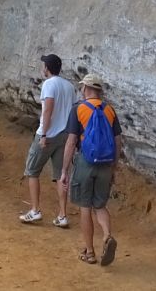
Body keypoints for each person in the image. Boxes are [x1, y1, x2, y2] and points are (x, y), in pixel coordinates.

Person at [59, 73, 122, 266]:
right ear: (100, 91)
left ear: (85, 88)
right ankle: (107, 236)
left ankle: (90, 252)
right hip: (105, 164)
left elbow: (71, 142)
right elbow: (118, 141)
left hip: (86, 162)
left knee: (85, 207)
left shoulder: (78, 109)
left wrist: (64, 170)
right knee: (100, 206)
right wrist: (113, 167)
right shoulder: (110, 110)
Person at [19, 54, 76, 227]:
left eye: (43, 65)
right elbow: (73, 111)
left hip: (48, 134)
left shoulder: (49, 84)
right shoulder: (69, 86)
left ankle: (35, 210)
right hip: (65, 135)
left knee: (32, 170)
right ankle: (62, 215)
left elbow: (48, 110)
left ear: (47, 68)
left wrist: (43, 134)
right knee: (61, 174)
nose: (42, 68)